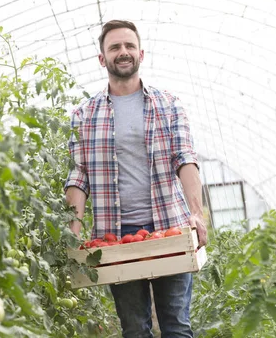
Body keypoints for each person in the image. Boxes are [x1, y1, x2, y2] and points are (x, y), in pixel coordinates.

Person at [64, 19, 207, 337]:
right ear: (103, 59)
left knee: (176, 325)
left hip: (169, 228)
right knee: (134, 328)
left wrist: (196, 212)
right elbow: (79, 176)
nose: (123, 52)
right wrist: (73, 233)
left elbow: (185, 159)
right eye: (114, 47)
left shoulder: (168, 105)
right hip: (116, 236)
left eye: (129, 46)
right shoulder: (83, 116)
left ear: (141, 53)